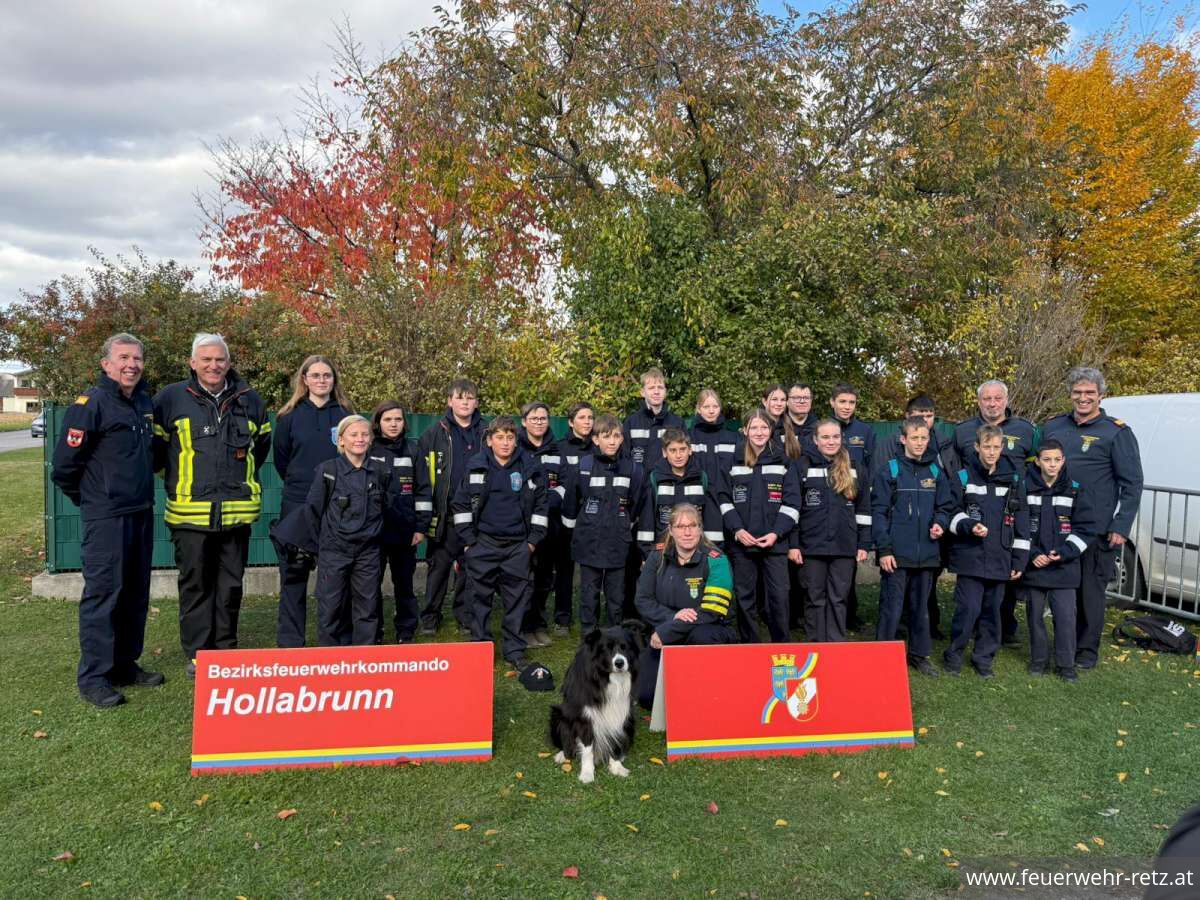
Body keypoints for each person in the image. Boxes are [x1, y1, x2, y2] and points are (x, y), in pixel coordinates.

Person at [52, 333, 163, 707]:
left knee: (134, 593)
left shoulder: (143, 403)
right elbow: (65, 467)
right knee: (103, 595)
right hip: (106, 518)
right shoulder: (91, 404)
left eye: (137, 358)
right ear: (106, 364)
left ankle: (124, 665)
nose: (132, 364)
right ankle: (94, 677)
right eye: (124, 357)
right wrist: (93, 501)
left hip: (140, 512)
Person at [153, 333, 270, 676]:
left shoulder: (250, 400)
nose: (213, 365)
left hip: (236, 514)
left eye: (220, 359)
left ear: (229, 363)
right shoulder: (171, 398)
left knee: (230, 586)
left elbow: (261, 448)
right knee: (196, 586)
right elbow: (157, 453)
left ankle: (226, 651)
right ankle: (200, 655)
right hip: (189, 515)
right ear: (193, 363)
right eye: (206, 359)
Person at [1042, 366, 1143, 671]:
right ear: (1070, 394)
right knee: (1063, 592)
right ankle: (1065, 645)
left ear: (1101, 395)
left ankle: (1086, 651)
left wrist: (1120, 525)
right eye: (1077, 392)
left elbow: (1132, 483)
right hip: (1059, 525)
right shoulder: (1054, 427)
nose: (1083, 397)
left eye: (1089, 392)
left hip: (1096, 530)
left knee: (1090, 593)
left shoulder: (1117, 432)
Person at [291, 415, 406, 646]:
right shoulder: (327, 471)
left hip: (368, 553)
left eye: (364, 434)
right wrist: (318, 548)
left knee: (368, 609)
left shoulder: (382, 472)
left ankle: (365, 657)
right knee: (330, 608)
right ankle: (330, 658)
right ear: (341, 440)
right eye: (353, 435)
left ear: (371, 439)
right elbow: (313, 512)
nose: (360, 439)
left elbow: (391, 508)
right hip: (334, 551)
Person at [452, 416, 549, 669]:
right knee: (478, 600)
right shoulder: (476, 466)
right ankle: (481, 648)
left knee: (517, 601)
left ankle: (514, 651)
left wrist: (532, 542)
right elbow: (460, 504)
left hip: (518, 547)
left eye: (510, 437)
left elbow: (541, 506)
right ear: (489, 440)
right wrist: (469, 541)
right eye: (499, 437)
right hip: (482, 545)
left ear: (516, 440)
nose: (505, 443)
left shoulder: (530, 467)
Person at [270, 355, 353, 648]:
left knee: (338, 576)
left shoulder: (345, 414)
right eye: (315, 375)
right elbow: (282, 461)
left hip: (338, 505)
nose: (321, 380)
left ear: (334, 379)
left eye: (326, 375)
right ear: (304, 380)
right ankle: (291, 642)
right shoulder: (289, 416)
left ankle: (337, 640)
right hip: (298, 504)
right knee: (293, 574)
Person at [942, 425, 1031, 678]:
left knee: (992, 612)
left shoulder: (1014, 479)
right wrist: (969, 525)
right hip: (970, 556)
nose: (991, 452)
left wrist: (1019, 560)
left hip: (1000, 557)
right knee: (968, 609)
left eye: (996, 447)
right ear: (977, 447)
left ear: (1002, 448)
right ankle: (954, 655)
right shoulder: (962, 477)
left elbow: (1022, 521)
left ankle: (983, 659)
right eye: (986, 447)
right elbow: (950, 512)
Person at [871, 417, 957, 677]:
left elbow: (945, 507)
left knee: (921, 609)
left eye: (924, 438)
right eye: (914, 438)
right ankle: (883, 655)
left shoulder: (935, 472)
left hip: (927, 554)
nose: (919, 443)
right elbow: (879, 512)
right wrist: (884, 550)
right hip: (896, 555)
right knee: (892, 607)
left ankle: (919, 655)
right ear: (903, 439)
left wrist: (940, 523)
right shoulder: (890, 470)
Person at [953, 380, 1036, 647]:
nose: (992, 403)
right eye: (987, 399)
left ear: (1006, 400)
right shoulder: (962, 431)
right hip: (975, 510)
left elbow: (1037, 467)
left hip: (1009, 509)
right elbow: (954, 470)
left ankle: (1004, 629)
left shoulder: (1026, 430)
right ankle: (971, 631)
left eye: (997, 398)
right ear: (979, 401)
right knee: (973, 586)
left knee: (1004, 582)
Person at [634, 504, 737, 708]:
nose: (687, 532)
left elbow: (712, 610)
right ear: (671, 530)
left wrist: (669, 630)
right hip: (667, 627)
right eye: (681, 527)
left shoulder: (717, 560)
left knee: (703, 636)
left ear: (700, 529)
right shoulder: (656, 556)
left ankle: (705, 694)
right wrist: (672, 617)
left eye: (693, 525)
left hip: (707, 630)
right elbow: (643, 599)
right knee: (646, 696)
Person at [560, 414, 651, 632]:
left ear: (622, 439)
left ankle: (614, 636)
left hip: (618, 543)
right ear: (595, 439)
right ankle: (589, 636)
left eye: (616, 436)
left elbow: (636, 504)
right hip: (588, 541)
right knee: (588, 594)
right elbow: (571, 502)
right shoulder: (584, 466)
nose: (612, 441)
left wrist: (624, 523)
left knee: (616, 595)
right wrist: (575, 532)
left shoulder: (634, 469)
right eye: (606, 436)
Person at [718, 408, 802, 642]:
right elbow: (723, 499)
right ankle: (750, 647)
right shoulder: (732, 460)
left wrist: (776, 533)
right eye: (753, 427)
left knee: (779, 597)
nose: (759, 432)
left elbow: (792, 503)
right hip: (742, 544)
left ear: (771, 430)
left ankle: (781, 646)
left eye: (764, 427)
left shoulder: (784, 460)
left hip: (775, 544)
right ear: (745, 430)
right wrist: (737, 530)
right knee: (745, 598)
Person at [1021, 439, 1098, 683]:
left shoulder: (1075, 489)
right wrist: (1033, 554)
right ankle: (1038, 661)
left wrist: (1064, 552)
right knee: (1035, 617)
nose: (1052, 464)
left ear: (1063, 460)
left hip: (1065, 567)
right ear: (1037, 461)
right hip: (1035, 567)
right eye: (1047, 460)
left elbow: (1086, 528)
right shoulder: (1024, 488)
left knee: (1065, 618)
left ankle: (1066, 665)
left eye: (1057, 459)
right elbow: (1018, 527)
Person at [790, 419, 871, 642]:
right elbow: (793, 509)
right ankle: (816, 645)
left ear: (842, 439)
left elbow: (864, 510)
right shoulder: (801, 466)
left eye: (835, 437)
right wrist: (794, 545)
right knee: (814, 598)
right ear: (815, 440)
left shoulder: (856, 468)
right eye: (825, 437)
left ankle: (836, 646)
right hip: (811, 547)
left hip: (844, 546)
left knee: (839, 598)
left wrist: (863, 544)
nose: (831, 441)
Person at [415, 379, 485, 636]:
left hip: (476, 516)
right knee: (438, 569)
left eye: (470, 398)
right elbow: (422, 477)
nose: (465, 402)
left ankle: (465, 616)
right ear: (449, 401)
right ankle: (430, 617)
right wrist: (426, 516)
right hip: (444, 515)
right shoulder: (433, 433)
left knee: (469, 569)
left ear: (476, 402)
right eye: (460, 397)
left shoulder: (487, 432)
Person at [369, 402, 420, 643]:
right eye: (387, 419)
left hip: (405, 529)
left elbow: (423, 490)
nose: (393, 424)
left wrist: (421, 527)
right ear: (378, 422)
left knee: (404, 584)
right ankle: (374, 632)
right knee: (371, 584)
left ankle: (406, 631)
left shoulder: (413, 449)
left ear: (404, 422)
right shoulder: (368, 448)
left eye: (398, 419)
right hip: (374, 530)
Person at [517, 401, 565, 648]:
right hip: (522, 526)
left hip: (550, 525)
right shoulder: (516, 448)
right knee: (524, 578)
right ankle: (523, 626)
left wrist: (545, 502)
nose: (539, 422)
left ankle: (538, 624)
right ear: (524, 421)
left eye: (543, 418)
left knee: (545, 577)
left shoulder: (557, 450)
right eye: (534, 418)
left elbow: (565, 485)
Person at [829, 382, 875, 631]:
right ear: (832, 402)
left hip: (853, 501)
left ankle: (849, 615)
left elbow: (869, 467)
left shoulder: (865, 431)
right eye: (842, 402)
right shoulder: (824, 427)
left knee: (849, 567)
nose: (847, 407)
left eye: (851, 402)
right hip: (827, 501)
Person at [549, 402, 595, 636]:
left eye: (590, 417)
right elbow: (554, 483)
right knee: (564, 570)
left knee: (592, 571)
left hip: (592, 520)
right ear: (570, 422)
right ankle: (562, 619)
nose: (587, 422)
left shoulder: (598, 447)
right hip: (565, 520)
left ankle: (591, 619)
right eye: (582, 417)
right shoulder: (559, 448)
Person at [641, 427, 724, 553]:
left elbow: (713, 521)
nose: (678, 455)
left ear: (690, 450)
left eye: (682, 449)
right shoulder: (655, 479)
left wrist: (713, 552)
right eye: (672, 450)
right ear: (664, 452)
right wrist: (646, 554)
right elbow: (647, 522)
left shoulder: (701, 478)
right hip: (664, 551)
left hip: (697, 551)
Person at [623, 368, 685, 468]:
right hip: (638, 478)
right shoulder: (631, 423)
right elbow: (624, 458)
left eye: (660, 387)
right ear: (642, 392)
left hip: (667, 478)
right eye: (651, 388)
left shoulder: (677, 423)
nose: (656, 392)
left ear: (665, 392)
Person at [689, 389, 737, 488]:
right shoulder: (688, 437)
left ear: (720, 408)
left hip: (725, 494)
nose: (711, 411)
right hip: (697, 493)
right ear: (699, 409)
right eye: (706, 407)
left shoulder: (733, 437)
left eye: (715, 406)